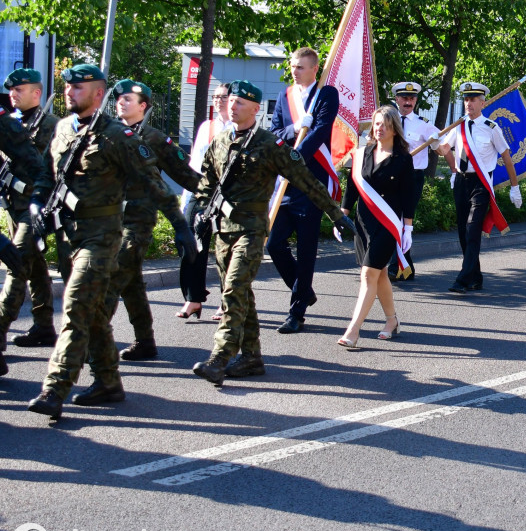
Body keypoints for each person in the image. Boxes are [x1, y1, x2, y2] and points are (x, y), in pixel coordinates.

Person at [25, 64, 178, 418]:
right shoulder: (64, 129)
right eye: (68, 87)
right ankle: (109, 380)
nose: (69, 92)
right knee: (97, 311)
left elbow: (159, 182)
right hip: (70, 234)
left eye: (78, 88)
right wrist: (37, 207)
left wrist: (182, 226)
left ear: (97, 94)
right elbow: (50, 176)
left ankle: (55, 388)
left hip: (110, 234)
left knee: (77, 305)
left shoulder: (124, 138)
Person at [191, 80, 351, 386]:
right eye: (231, 101)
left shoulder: (270, 145)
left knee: (234, 289)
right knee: (241, 295)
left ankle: (219, 358)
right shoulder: (220, 141)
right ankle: (251, 358)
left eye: (240, 103)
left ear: (255, 109)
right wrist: (201, 210)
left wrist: (335, 213)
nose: (232, 106)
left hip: (251, 230)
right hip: (223, 231)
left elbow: (305, 179)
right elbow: (206, 183)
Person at [107, 79, 199, 362]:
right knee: (131, 282)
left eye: (128, 99)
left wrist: (218, 194)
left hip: (138, 223)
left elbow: (186, 175)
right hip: (110, 221)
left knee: (110, 279)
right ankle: (145, 342)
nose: (121, 102)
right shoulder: (108, 133)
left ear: (143, 106)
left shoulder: (154, 138)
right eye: (119, 98)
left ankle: (90, 338)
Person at [267, 47, 341, 334]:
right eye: (293, 66)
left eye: (300, 67)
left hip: (311, 182)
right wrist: (296, 127)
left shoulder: (326, 94)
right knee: (274, 244)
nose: (295, 71)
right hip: (285, 183)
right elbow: (274, 134)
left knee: (307, 248)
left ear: (314, 68)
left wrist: (295, 160)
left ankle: (296, 312)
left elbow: (322, 131)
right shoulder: (285, 97)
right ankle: (304, 291)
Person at [336, 106, 415, 348]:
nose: (380, 128)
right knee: (379, 274)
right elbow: (352, 187)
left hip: (388, 224)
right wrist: (342, 216)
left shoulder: (403, 159)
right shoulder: (362, 154)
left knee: (368, 273)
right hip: (363, 222)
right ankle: (392, 321)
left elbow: (409, 195)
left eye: (385, 125)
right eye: (377, 123)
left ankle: (354, 329)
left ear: (394, 129)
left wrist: (408, 227)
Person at [436, 82, 522, 294]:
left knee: (472, 229)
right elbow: (445, 149)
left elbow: (506, 157)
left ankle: (463, 279)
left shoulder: (492, 128)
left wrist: (515, 186)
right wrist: (434, 143)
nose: (468, 104)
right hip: (462, 182)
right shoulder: (458, 126)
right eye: (466, 99)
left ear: (483, 102)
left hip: (481, 184)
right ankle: (475, 276)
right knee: (463, 232)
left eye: (473, 100)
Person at [0, 68, 59, 356]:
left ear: (36, 93)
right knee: (34, 267)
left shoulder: (53, 126)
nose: (13, 94)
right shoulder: (8, 123)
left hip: (35, 208)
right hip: (13, 205)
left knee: (16, 264)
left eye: (19, 90)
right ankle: (44, 326)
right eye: (11, 90)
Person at [178, 83, 231, 321]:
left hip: (227, 195)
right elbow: (194, 162)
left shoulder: (240, 128)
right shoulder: (206, 127)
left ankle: (226, 301)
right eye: (216, 96)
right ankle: (193, 298)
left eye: (224, 96)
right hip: (201, 193)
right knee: (191, 245)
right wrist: (186, 196)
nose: (218, 100)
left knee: (225, 250)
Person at [387, 81, 439, 282]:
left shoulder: (424, 124)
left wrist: (436, 140)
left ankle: (396, 266)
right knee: (394, 219)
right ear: (397, 99)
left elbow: (442, 147)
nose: (408, 102)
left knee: (402, 219)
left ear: (416, 100)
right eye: (404, 98)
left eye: (412, 98)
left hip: (413, 178)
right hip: (391, 176)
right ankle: (405, 266)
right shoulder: (389, 121)